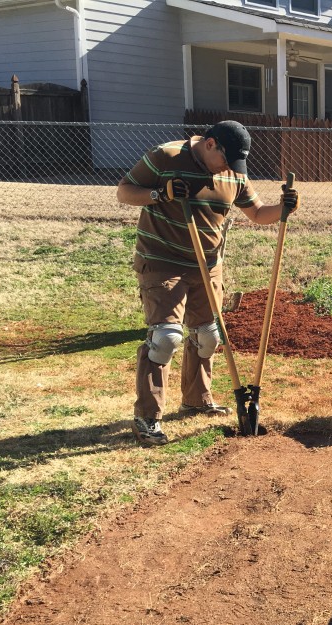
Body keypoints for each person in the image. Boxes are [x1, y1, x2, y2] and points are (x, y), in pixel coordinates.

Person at [117, 120, 299, 447]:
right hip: (162, 261)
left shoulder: (233, 174)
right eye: (225, 160)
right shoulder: (166, 156)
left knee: (208, 337)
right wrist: (161, 193)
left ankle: (196, 400)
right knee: (165, 338)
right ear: (210, 144)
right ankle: (147, 418)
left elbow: (257, 213)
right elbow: (124, 191)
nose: (228, 169)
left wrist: (284, 209)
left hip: (207, 265)